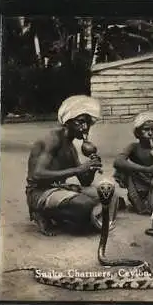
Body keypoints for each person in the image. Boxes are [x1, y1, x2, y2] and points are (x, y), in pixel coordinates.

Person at [25, 95, 119, 236]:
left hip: (59, 188)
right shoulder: (53, 139)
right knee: (85, 205)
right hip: (40, 192)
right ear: (67, 121)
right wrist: (78, 169)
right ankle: (42, 213)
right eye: (80, 122)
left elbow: (84, 181)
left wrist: (91, 167)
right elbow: (37, 174)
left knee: (112, 196)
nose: (85, 127)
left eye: (87, 123)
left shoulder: (71, 147)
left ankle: (72, 217)